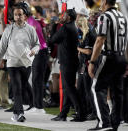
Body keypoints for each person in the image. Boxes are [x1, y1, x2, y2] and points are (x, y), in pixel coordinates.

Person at [0, 3, 40, 122]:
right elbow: (2, 47)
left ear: (25, 16)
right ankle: (20, 114)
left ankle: (15, 112)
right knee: (17, 88)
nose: (18, 17)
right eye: (15, 15)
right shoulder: (8, 29)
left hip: (26, 64)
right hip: (12, 63)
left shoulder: (30, 29)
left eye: (20, 15)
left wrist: (34, 50)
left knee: (21, 88)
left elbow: (37, 44)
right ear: (13, 16)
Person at [88, 0, 128, 130]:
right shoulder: (122, 16)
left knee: (97, 87)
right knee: (118, 92)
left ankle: (104, 123)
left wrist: (92, 61)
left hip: (109, 57)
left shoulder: (105, 16)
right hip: (121, 56)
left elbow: (100, 40)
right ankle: (115, 124)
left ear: (105, 1)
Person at [49, 8, 85, 122]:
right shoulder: (74, 27)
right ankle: (63, 114)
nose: (62, 17)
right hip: (71, 61)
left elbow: (52, 40)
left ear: (68, 17)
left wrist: (54, 26)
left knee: (69, 88)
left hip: (67, 62)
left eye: (64, 15)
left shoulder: (65, 28)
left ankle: (81, 113)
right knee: (67, 89)